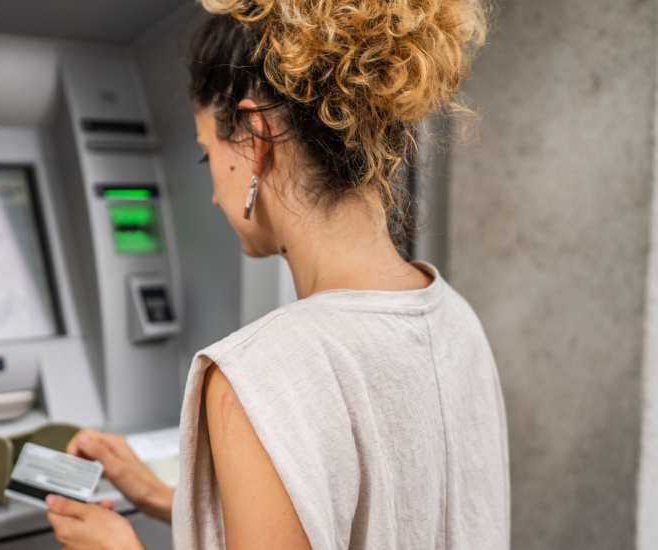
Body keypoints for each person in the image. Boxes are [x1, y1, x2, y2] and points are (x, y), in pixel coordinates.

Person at [45, 0, 508, 548]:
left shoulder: (255, 376)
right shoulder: (454, 317)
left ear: (256, 139)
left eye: (206, 155)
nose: (213, 195)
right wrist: (158, 496)